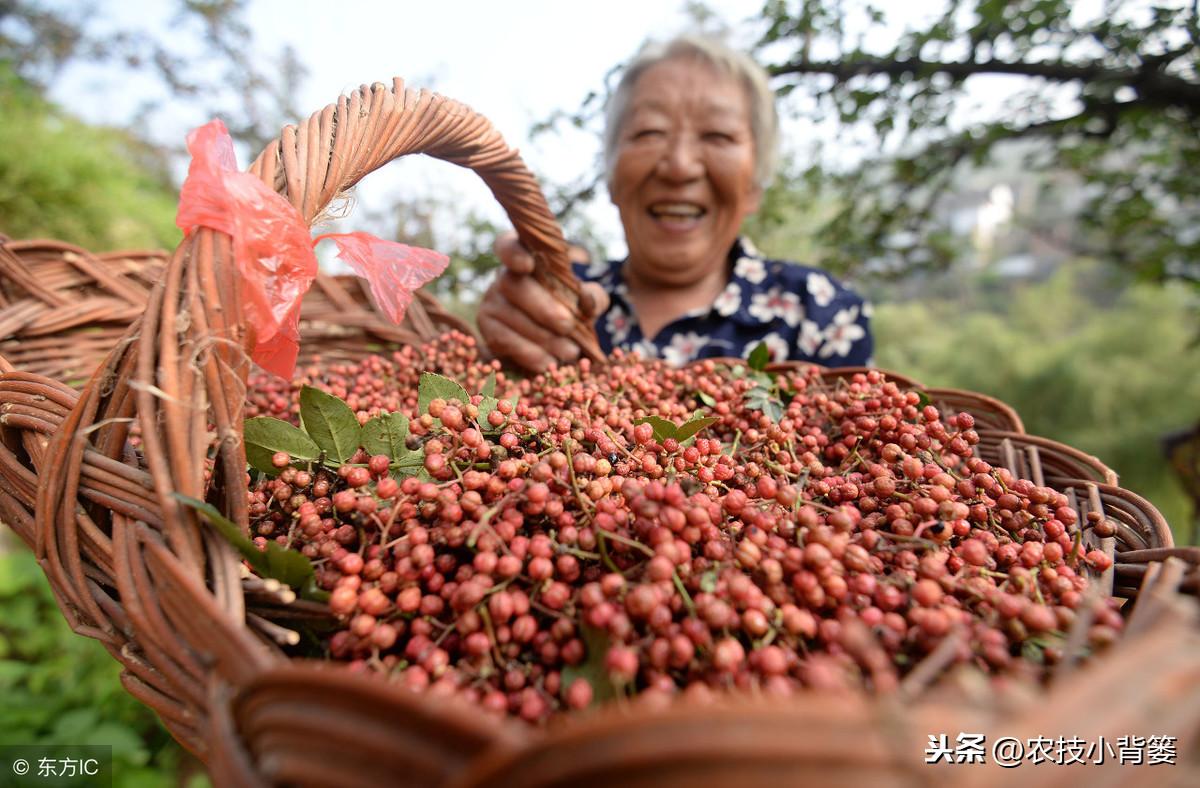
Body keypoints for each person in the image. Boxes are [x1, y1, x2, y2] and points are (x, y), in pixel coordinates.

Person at [477, 34, 873, 373]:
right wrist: (510, 328)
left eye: (718, 135)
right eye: (650, 132)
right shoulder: (566, 301)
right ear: (611, 176)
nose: (680, 167)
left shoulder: (820, 314)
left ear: (754, 184)